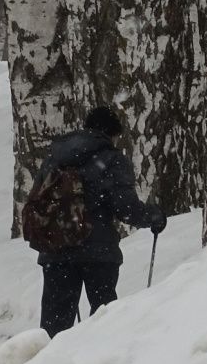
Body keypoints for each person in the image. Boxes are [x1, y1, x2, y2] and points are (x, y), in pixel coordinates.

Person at [36, 107, 166, 337]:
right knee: (104, 321)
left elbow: (37, 201)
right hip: (97, 251)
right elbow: (126, 208)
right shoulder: (112, 159)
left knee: (54, 327)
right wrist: (153, 217)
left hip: (56, 249)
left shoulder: (54, 158)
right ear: (111, 133)